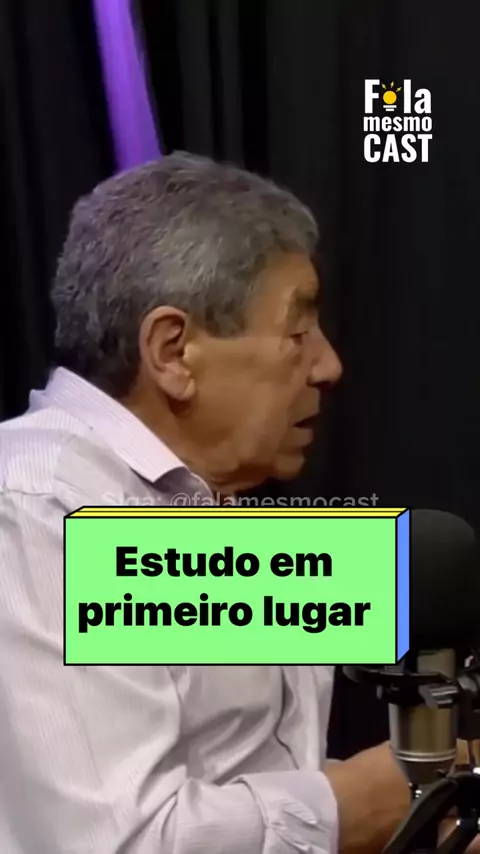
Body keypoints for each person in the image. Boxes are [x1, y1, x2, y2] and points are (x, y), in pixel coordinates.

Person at [0, 152, 448, 853]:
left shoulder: (211, 507)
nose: (329, 365)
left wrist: (430, 813)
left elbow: (246, 777)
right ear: (173, 351)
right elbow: (113, 842)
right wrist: (353, 806)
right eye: (298, 333)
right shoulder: (38, 510)